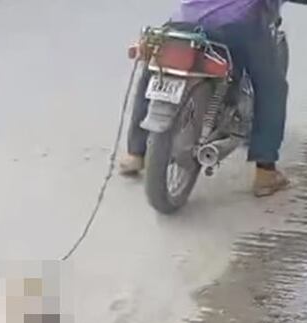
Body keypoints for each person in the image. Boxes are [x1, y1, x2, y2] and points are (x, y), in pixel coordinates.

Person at [119, 0, 290, 197]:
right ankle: (266, 172)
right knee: (271, 87)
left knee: (157, 68)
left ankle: (136, 153)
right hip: (236, 26)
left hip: (185, 20)